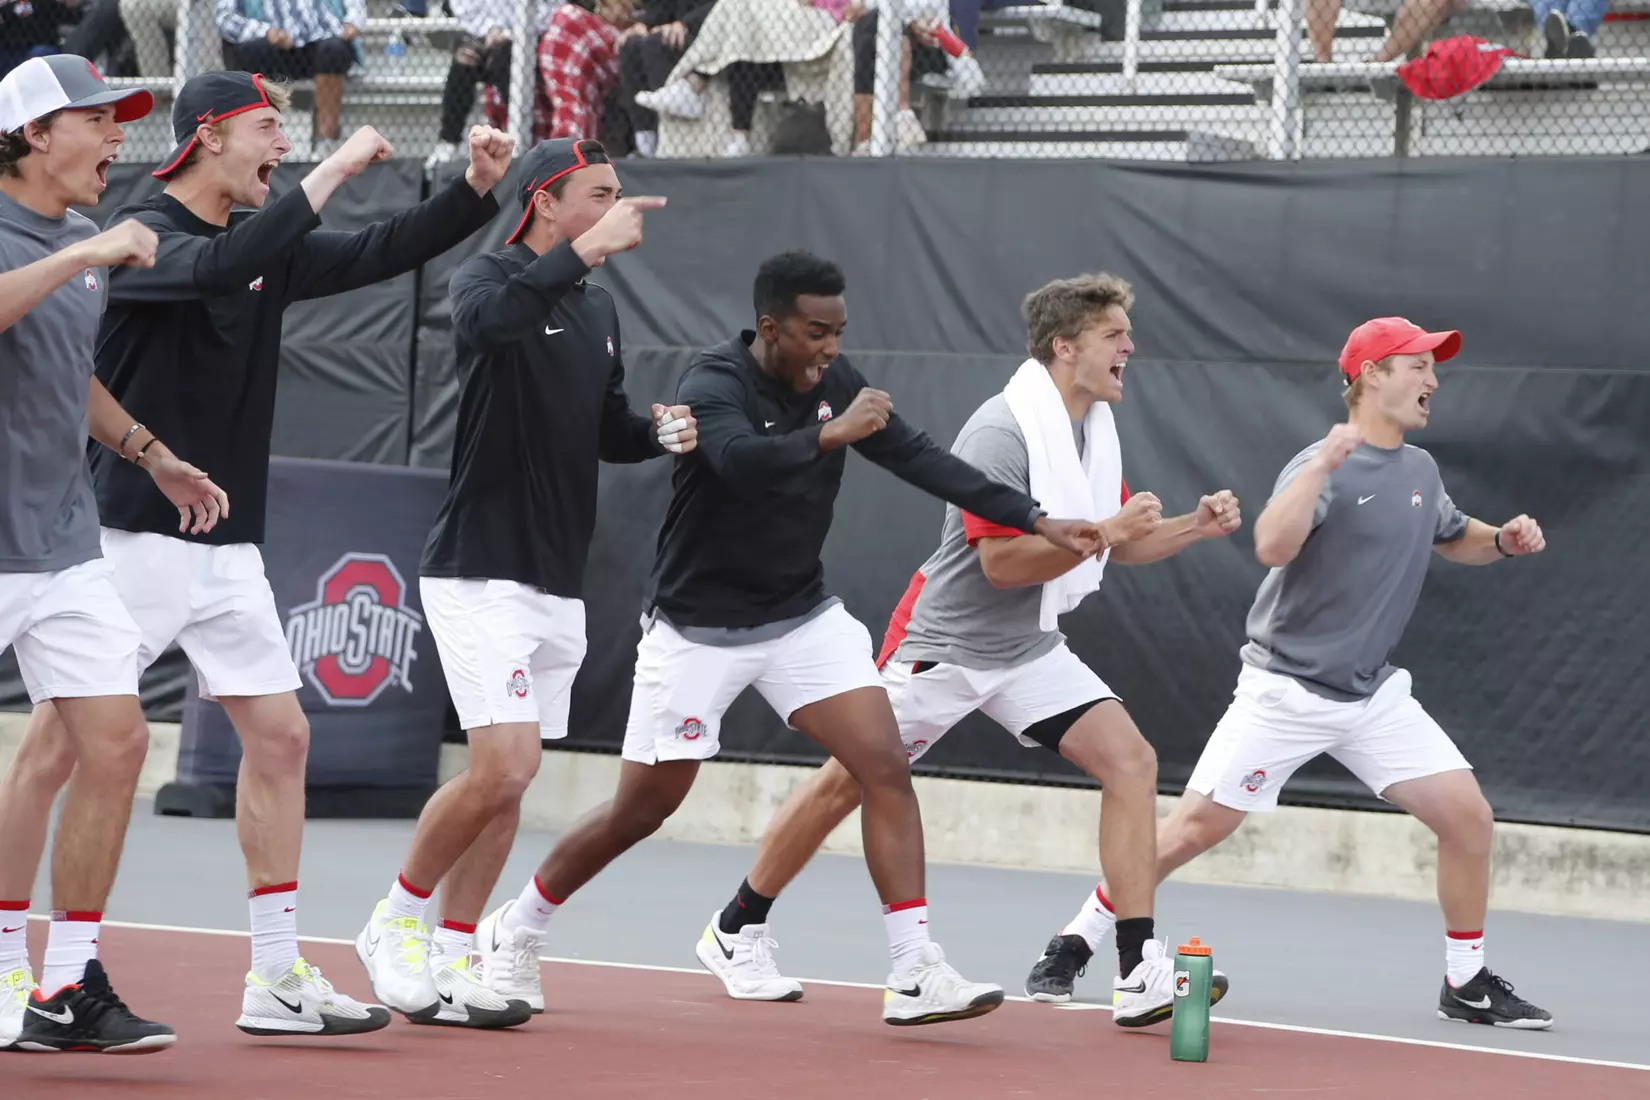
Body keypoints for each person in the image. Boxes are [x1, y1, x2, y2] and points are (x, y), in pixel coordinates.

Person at [0, 69, 518, 1038]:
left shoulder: (226, 242)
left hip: (223, 539)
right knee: (57, 749)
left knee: (279, 738)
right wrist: (332, 173)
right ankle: (11, 960)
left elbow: (374, 251)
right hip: (123, 538)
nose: (284, 145)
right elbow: (205, 268)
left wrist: (472, 193)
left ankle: (273, 971)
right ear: (206, 138)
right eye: (268, 128)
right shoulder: (136, 233)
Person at [469, 250, 1105, 1027]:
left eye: (839, 332)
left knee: (882, 765)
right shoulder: (715, 383)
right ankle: (516, 929)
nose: (831, 349)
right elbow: (737, 460)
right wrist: (834, 433)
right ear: (770, 327)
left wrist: (1035, 517)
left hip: (802, 617)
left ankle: (914, 968)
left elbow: (924, 460)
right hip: (697, 630)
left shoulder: (831, 380)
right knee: (642, 810)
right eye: (814, 333)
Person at [694, 272, 1237, 1027]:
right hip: (944, 649)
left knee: (1132, 761)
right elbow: (1003, 565)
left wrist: (1188, 528)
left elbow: (1101, 548)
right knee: (844, 785)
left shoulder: (1089, 431)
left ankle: (1139, 966)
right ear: (1066, 346)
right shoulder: (1003, 431)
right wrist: (1108, 535)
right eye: (1115, 336)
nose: (1129, 348)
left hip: (1026, 650)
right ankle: (736, 926)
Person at [1029, 317, 1555, 1030]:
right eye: (1418, 367)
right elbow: (1272, 546)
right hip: (1285, 693)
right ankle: (1076, 940)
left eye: (1433, 369)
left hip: (1372, 696)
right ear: (1372, 374)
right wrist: (1321, 467)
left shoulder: (1420, 470)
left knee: (1468, 818)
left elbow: (1456, 536)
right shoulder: (1321, 463)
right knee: (1188, 832)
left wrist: (1505, 542)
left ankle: (1465, 982)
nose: (1433, 381)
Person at [353, 137, 695, 1028]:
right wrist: (580, 252)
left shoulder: (599, 307)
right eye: (600, 192)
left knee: (511, 777)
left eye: (619, 192)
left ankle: (461, 948)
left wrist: (655, 431)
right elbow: (487, 329)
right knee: (504, 763)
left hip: (555, 577)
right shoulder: (487, 277)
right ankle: (394, 921)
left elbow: (602, 425)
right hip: (477, 568)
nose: (619, 207)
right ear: (546, 201)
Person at [0, 53, 229, 1054]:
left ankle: (63, 984)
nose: (116, 138)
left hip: (62, 540)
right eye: (96, 120)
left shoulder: (86, 238)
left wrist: (153, 453)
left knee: (120, 741)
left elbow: (69, 374)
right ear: (35, 135)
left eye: (118, 117)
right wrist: (80, 260)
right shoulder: (71, 249)